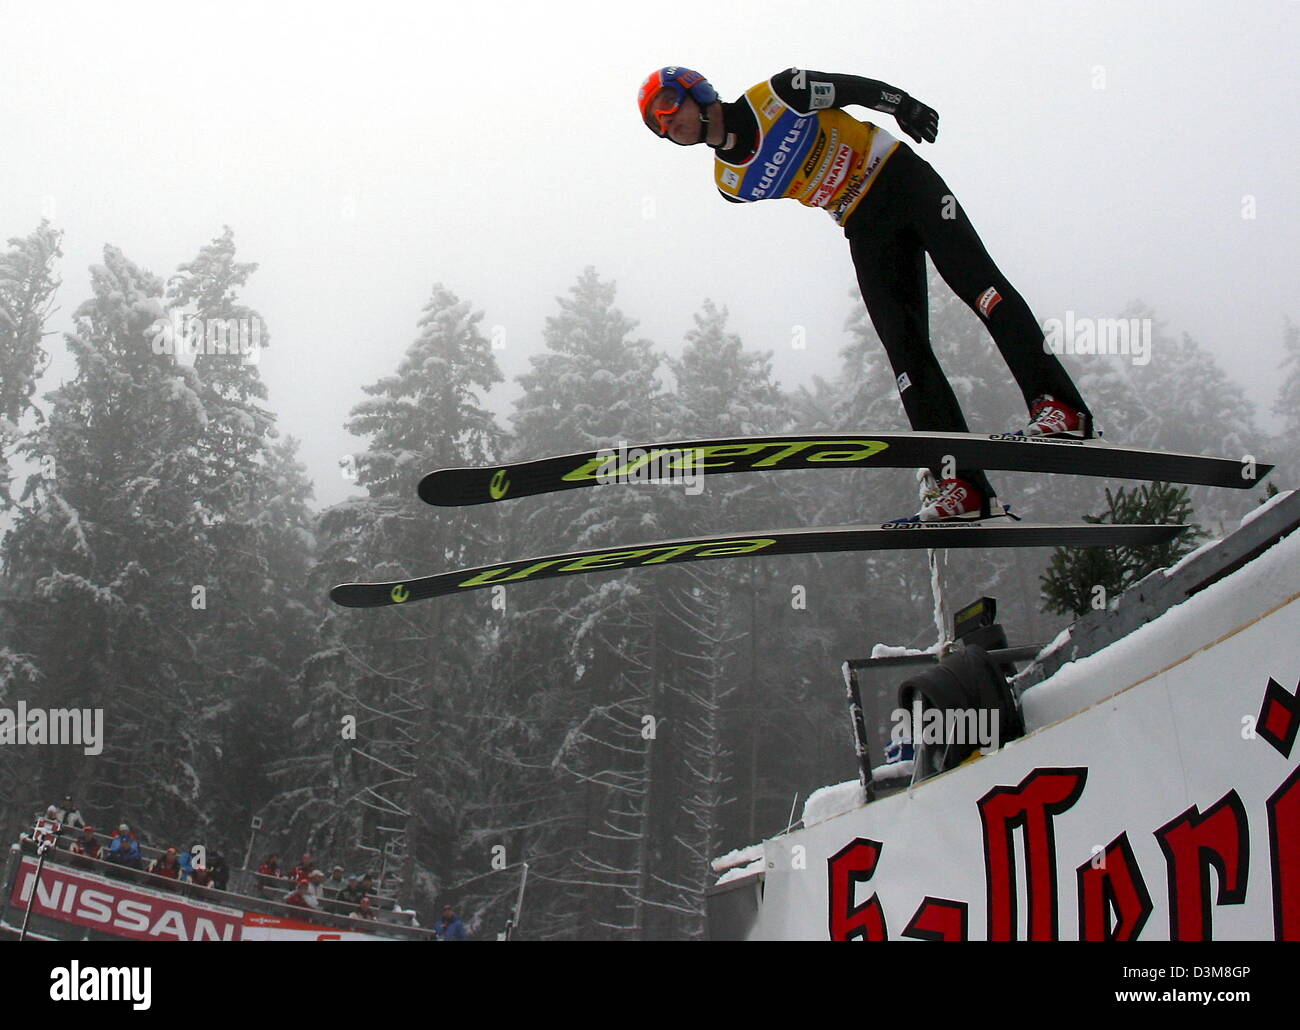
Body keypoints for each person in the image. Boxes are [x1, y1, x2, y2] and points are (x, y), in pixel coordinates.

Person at [637, 66, 1094, 521]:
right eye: (654, 123)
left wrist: (904, 106)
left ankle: (1059, 406)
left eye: (666, 105)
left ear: (697, 90)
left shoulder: (778, 95)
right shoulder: (731, 186)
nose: (666, 122)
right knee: (905, 351)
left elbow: (854, 90)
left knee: (981, 289)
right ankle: (961, 485)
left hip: (902, 180)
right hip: (862, 223)